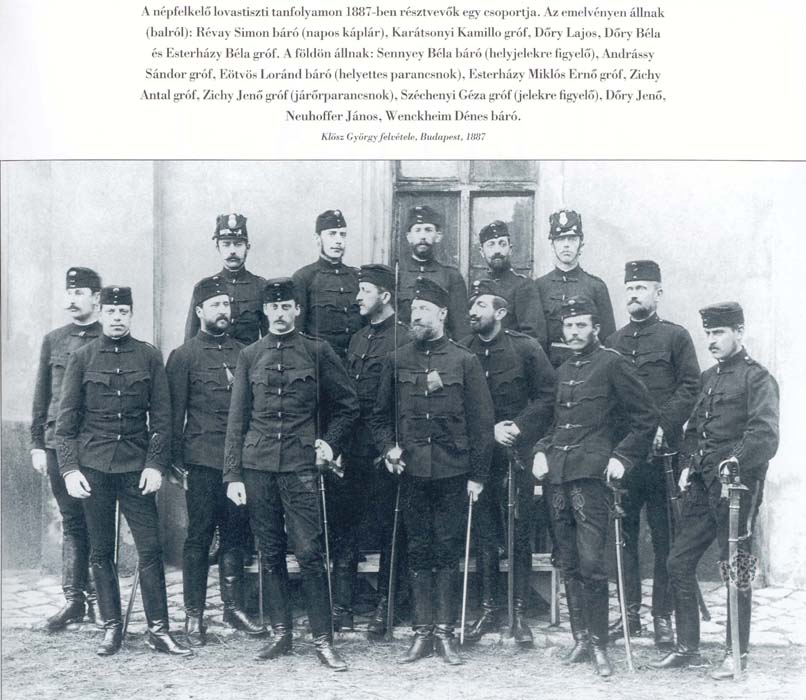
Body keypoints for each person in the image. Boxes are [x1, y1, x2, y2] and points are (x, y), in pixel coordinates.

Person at [223, 278, 359, 671]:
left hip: (301, 466)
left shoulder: (318, 351)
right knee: (269, 552)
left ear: (297, 310)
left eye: (287, 307)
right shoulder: (250, 355)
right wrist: (233, 475)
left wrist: (329, 443)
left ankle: (323, 640)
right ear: (265, 312)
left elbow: (348, 405)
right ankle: (281, 633)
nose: (280, 314)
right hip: (258, 466)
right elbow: (237, 420)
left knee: (309, 553)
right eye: (274, 307)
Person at [56, 286, 190, 657]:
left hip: (136, 467)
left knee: (151, 549)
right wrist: (69, 469)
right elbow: (65, 424)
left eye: (124, 312)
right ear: (101, 313)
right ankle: (112, 627)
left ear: (131, 315)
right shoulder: (82, 357)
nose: (117, 318)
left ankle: (159, 630)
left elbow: (162, 419)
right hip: (93, 468)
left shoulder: (148, 356)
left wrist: (155, 464)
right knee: (100, 551)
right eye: (111, 311)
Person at [651, 302, 779, 680]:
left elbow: (765, 434)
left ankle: (736, 654)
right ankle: (687, 647)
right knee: (678, 561)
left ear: (739, 332)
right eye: (708, 333)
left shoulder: (758, 379)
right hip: (702, 486)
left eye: (719, 332)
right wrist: (687, 465)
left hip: (737, 488)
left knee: (736, 570)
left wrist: (734, 460)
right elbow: (693, 431)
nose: (711, 340)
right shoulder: (708, 378)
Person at [371, 278, 495, 666]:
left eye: (424, 310)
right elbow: (379, 418)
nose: (417, 317)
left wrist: (478, 476)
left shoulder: (464, 361)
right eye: (413, 311)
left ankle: (444, 632)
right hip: (411, 473)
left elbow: (482, 424)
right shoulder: (396, 360)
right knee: (418, 550)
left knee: (447, 550)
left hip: (453, 473)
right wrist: (388, 448)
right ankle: (422, 632)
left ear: (442, 313)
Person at [532, 296, 657, 677]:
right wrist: (540, 450)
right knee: (568, 562)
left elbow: (645, 418)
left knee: (591, 563)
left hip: (591, 478)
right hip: (558, 477)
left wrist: (622, 457)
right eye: (568, 326)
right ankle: (581, 639)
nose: (573, 332)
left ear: (596, 328)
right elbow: (557, 426)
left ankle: (600, 644)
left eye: (581, 325)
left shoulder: (613, 364)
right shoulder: (563, 370)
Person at [605, 260, 701, 648]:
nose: (634, 295)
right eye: (630, 288)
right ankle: (630, 615)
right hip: (626, 457)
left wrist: (665, 424)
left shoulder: (675, 337)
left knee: (665, 539)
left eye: (642, 288)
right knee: (623, 538)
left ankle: (662, 615)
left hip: (663, 457)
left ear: (658, 293)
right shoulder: (613, 342)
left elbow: (690, 386)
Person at [166, 275, 265, 647]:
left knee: (236, 535)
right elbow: (174, 415)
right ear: (199, 311)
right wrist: (175, 462)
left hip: (239, 462)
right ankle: (194, 614)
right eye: (216, 305)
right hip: (202, 461)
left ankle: (233, 608)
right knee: (199, 536)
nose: (224, 311)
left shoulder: (246, 353)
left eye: (227, 304)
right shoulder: (184, 356)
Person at [461, 280, 556, 646]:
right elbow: (458, 406)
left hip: (518, 454)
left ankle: (519, 614)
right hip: (480, 457)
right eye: (471, 305)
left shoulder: (526, 348)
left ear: (499, 312)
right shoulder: (463, 351)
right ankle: (488, 610)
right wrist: (489, 432)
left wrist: (518, 426)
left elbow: (547, 396)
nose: (472, 311)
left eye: (480, 305)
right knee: (484, 534)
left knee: (518, 533)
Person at [330, 263, 411, 636]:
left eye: (365, 290)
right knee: (344, 525)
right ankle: (342, 606)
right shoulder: (357, 339)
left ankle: (386, 605)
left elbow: (405, 402)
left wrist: (392, 447)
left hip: (387, 451)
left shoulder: (404, 338)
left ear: (385, 295)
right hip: (354, 448)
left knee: (392, 530)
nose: (357, 297)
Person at [31, 267, 103, 632]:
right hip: (58, 444)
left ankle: (101, 600)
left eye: (79, 293)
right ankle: (75, 600)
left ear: (96, 298)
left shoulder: (107, 338)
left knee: (97, 521)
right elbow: (42, 395)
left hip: (95, 445)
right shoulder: (54, 340)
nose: (72, 299)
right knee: (72, 521)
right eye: (69, 292)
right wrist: (36, 444)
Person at [535, 210, 615, 366]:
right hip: (547, 365)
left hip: (588, 366)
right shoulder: (539, 286)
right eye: (560, 239)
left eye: (572, 239)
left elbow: (608, 337)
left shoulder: (596, 286)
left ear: (581, 244)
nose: (566, 244)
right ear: (552, 245)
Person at [184, 213, 268, 344]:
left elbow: (269, 340)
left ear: (247, 248)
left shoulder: (261, 286)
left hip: (250, 357)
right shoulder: (204, 288)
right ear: (218, 248)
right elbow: (190, 342)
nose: (232, 250)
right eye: (226, 244)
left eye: (238, 244)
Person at [292, 209, 363, 360]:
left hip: (355, 362)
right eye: (332, 234)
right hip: (321, 363)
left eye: (342, 234)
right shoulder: (304, 278)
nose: (338, 241)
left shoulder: (356, 277)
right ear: (318, 238)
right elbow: (298, 332)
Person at [397, 205, 470, 340]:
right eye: (418, 230)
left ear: (438, 236)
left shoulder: (451, 276)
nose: (423, 236)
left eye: (428, 230)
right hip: (404, 347)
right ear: (409, 237)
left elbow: (461, 327)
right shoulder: (397, 275)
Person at [474, 220, 547, 344]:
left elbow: (533, 337)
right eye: (491, 245)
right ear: (482, 252)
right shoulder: (478, 286)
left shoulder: (524, 286)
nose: (497, 250)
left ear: (510, 249)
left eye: (502, 244)